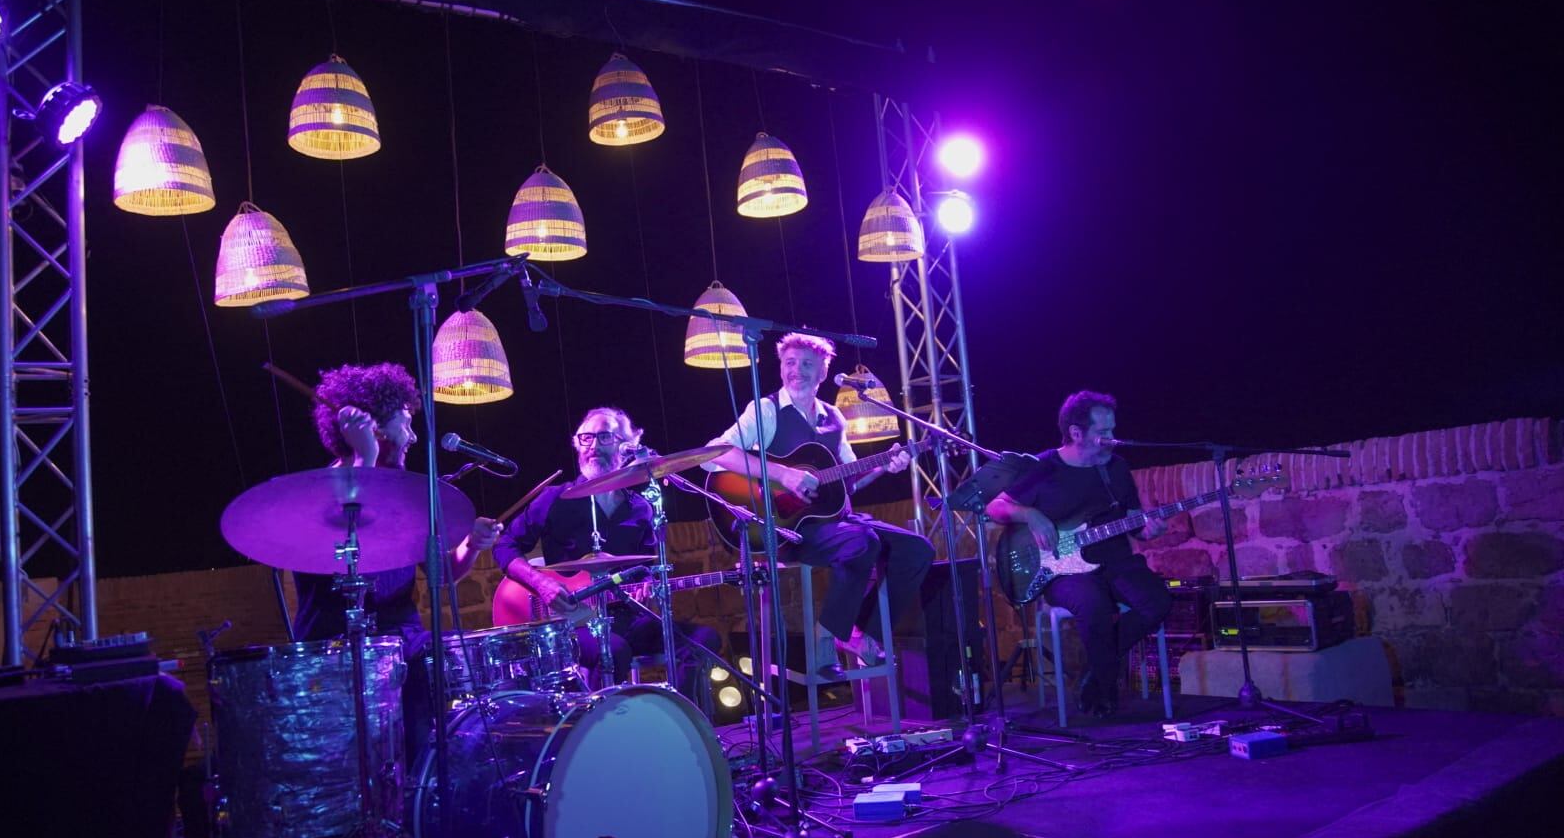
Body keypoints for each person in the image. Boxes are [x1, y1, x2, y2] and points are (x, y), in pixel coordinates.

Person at [290, 362, 500, 765]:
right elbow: (346, 548)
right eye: (405, 423)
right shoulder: (318, 495)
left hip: (405, 646)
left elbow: (440, 576)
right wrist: (364, 457)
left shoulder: (409, 495)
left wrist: (472, 546)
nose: (414, 436)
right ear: (376, 430)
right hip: (339, 653)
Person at [703, 332, 934, 678]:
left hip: (833, 522)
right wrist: (784, 474)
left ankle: (861, 633)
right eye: (790, 363)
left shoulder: (834, 418)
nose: (797, 371)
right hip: (782, 527)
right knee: (862, 542)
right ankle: (828, 639)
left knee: (919, 550)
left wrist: (885, 465)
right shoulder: (765, 410)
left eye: (807, 364)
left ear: (823, 372)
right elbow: (715, 455)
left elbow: (847, 481)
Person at [492, 406, 721, 703]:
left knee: (703, 641)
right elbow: (504, 545)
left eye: (604, 437)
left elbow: (646, 569)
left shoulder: (641, 509)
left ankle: (688, 730)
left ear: (627, 447)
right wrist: (541, 583)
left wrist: (648, 584)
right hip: (571, 623)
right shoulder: (554, 499)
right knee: (613, 651)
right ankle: (603, 736)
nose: (593, 447)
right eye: (585, 438)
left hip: (626, 618)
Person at [985, 390, 1171, 718]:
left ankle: (1094, 671)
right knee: (1093, 605)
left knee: (1158, 602)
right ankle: (1105, 689)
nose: (1112, 439)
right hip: (1061, 570)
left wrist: (1148, 529)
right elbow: (995, 506)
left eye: (1112, 430)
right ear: (1076, 433)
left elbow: (1134, 521)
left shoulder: (1116, 467)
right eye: (1103, 433)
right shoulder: (1044, 466)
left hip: (1115, 560)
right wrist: (1029, 514)